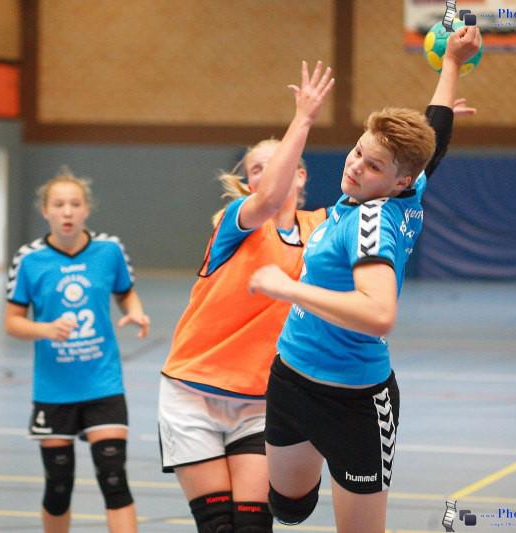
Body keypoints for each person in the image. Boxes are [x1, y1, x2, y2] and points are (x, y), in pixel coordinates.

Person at [248, 26, 482, 533]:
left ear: (398, 181)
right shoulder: (403, 187)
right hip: (291, 378)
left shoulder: (372, 221)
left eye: (372, 166)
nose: (355, 167)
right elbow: (435, 137)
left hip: (354, 400)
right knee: (288, 507)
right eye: (357, 151)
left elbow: (378, 314)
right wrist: (451, 63)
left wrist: (288, 288)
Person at [158, 61, 336, 533]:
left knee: (254, 526)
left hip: (262, 401)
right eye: (257, 169)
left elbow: (394, 191)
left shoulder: (322, 228)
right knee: (218, 527)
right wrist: (303, 118)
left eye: (279, 165)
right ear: (250, 182)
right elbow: (268, 198)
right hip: (192, 393)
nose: (268, 174)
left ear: (301, 174)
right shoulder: (233, 222)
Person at [5, 169, 150, 533]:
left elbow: (125, 292)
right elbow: (12, 322)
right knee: (58, 486)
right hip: (54, 390)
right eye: (58, 205)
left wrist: (134, 311)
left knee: (114, 480)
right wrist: (45, 329)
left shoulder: (109, 250)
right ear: (45, 211)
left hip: (103, 383)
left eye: (75, 204)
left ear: (87, 209)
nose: (67, 211)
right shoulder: (29, 259)